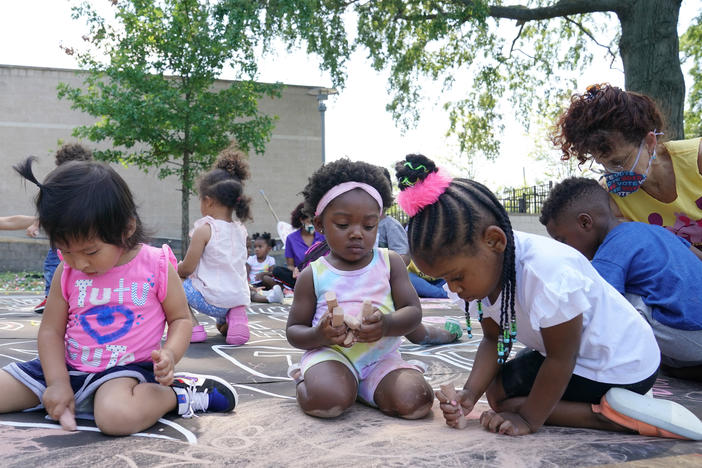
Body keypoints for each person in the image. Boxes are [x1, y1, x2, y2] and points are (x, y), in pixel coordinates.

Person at [394, 153, 698, 439]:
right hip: (576, 357)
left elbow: (561, 357)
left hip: (624, 363)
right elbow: (494, 339)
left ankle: (609, 416)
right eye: (444, 280)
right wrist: (469, 394)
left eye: (457, 277)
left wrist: (528, 418)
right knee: (497, 395)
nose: (454, 288)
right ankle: (605, 405)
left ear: (494, 241)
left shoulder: (547, 273)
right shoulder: (482, 271)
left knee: (516, 405)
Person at [2, 157, 237, 436]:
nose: (78, 264)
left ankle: (180, 394)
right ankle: (70, 396)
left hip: (124, 374)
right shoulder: (66, 272)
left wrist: (170, 354)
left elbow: (181, 319)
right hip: (66, 367)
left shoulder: (156, 265)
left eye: (90, 252)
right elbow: (51, 331)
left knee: (116, 417)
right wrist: (56, 383)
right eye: (65, 251)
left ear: (126, 229)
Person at [286, 158, 434, 419]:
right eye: (343, 225)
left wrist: (386, 324)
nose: (357, 233)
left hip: (381, 359)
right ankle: (308, 379)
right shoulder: (313, 274)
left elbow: (413, 312)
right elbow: (294, 331)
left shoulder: (391, 263)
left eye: (369, 226)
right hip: (332, 357)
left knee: (417, 402)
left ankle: (364, 387)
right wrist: (320, 335)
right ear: (320, 224)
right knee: (326, 401)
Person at [539, 177, 702, 381]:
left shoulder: (612, 250)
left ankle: (624, 370)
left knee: (614, 305)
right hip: (692, 337)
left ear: (585, 222)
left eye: (562, 240)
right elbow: (696, 257)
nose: (562, 249)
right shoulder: (653, 231)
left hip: (692, 337)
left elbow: (591, 310)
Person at [552, 83, 702, 251]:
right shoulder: (610, 200)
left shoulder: (697, 159)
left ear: (649, 143)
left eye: (618, 162)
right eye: (603, 165)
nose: (611, 174)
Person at [177, 149, 252, 346]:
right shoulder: (241, 230)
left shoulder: (205, 229)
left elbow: (188, 268)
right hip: (236, 300)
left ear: (208, 200)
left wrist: (176, 268)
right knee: (225, 322)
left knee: (172, 285)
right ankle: (236, 321)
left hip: (208, 299)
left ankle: (192, 328)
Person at [28, 143, 95, 314]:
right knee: (53, 263)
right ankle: (51, 297)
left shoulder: (92, 180)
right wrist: (36, 224)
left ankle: (85, 294)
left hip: (84, 232)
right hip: (63, 234)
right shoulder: (57, 181)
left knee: (85, 263)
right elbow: (45, 208)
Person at [264, 203, 324, 290]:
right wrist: (299, 272)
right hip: (300, 277)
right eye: (310, 221)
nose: (313, 225)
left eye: (315, 221)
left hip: (321, 276)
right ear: (301, 220)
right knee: (278, 271)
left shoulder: (323, 236)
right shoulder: (291, 239)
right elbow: (290, 266)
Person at [247, 232, 283, 304]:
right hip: (254, 284)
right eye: (255, 247)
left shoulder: (270, 260)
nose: (256, 249)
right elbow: (246, 273)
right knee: (250, 293)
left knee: (266, 277)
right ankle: (268, 297)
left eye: (260, 247)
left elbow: (272, 273)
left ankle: (278, 291)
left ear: (268, 249)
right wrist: (249, 285)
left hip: (265, 283)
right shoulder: (251, 259)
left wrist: (263, 274)